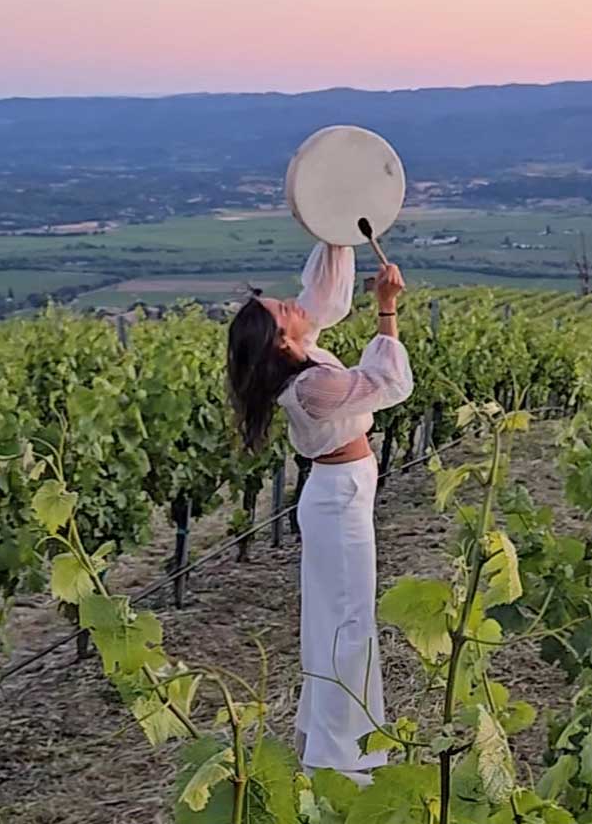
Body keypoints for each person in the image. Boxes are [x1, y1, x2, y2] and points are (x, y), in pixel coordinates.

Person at [226, 241, 413, 783]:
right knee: (349, 625)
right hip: (338, 499)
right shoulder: (313, 386)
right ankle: (346, 762)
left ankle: (327, 748)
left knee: (334, 623)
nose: (293, 304)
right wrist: (386, 308)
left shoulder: (299, 357)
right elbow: (391, 384)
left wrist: (337, 234)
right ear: (282, 342)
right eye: (283, 311)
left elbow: (323, 299)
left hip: (338, 494)